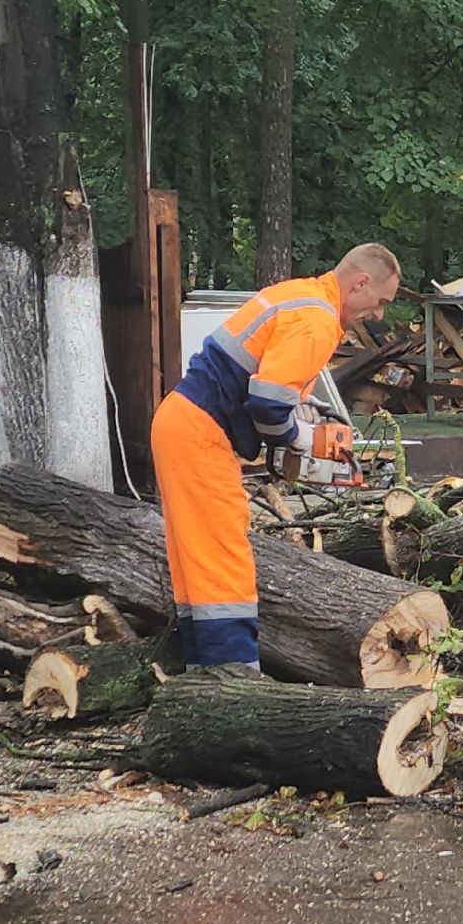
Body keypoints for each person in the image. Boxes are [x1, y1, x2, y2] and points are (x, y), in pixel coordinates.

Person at [151, 244, 401, 669]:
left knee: (196, 555)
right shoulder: (317, 320)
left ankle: (200, 675)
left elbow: (266, 386)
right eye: (380, 302)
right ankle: (231, 679)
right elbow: (267, 403)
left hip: (185, 424)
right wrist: (300, 437)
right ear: (360, 283)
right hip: (199, 432)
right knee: (223, 557)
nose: (378, 315)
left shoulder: (301, 295)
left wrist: (299, 418)